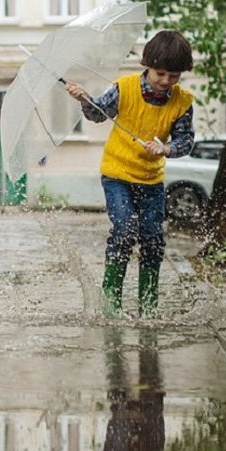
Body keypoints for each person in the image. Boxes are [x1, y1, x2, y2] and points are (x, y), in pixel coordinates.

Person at [65, 30, 195, 318]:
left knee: (152, 239)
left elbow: (186, 141)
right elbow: (98, 114)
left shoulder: (182, 101)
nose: (166, 81)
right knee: (124, 232)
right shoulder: (124, 88)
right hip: (117, 175)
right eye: (160, 73)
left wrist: (167, 148)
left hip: (151, 180)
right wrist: (84, 99)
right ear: (146, 64)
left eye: (174, 76)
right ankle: (112, 308)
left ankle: (148, 309)